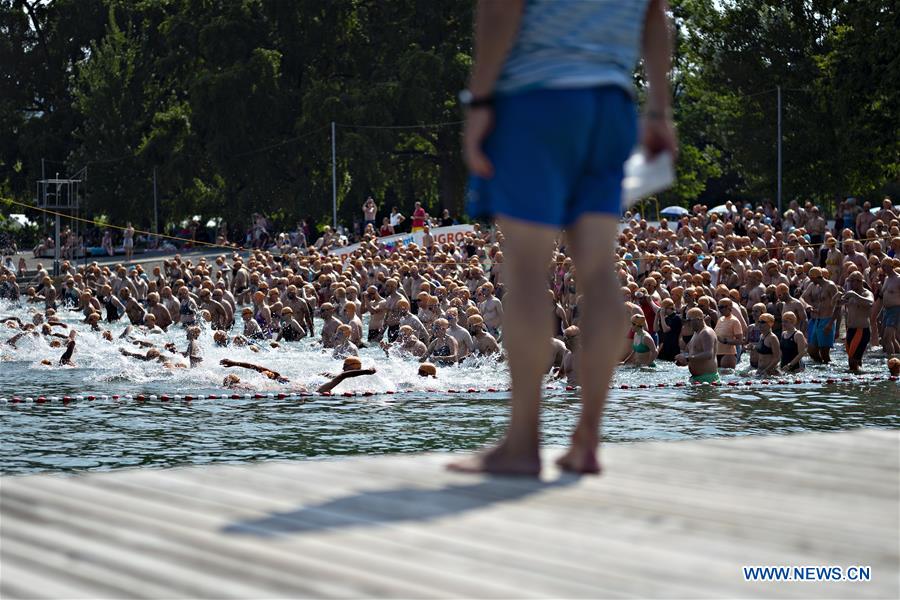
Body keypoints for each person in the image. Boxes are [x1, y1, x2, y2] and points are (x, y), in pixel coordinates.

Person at [450, 0, 676, 475]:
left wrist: (481, 100)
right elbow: (657, 17)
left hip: (537, 96)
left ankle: (522, 445)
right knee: (598, 268)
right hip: (611, 102)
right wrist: (659, 110)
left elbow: (500, 8)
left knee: (529, 271)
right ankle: (587, 439)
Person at [801, 267, 841, 363]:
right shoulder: (818, 286)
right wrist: (809, 306)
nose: (810, 281)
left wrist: (831, 324)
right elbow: (803, 297)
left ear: (815, 277)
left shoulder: (830, 286)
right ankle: (820, 367)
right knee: (811, 351)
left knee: (824, 353)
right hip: (817, 320)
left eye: (811, 278)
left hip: (827, 320)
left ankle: (828, 372)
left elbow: (838, 306)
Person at [841, 271, 874, 372]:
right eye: (849, 281)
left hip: (861, 330)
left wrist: (855, 296)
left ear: (859, 282)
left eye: (852, 281)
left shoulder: (866, 293)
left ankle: (859, 381)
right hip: (850, 330)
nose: (850, 284)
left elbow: (870, 302)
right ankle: (861, 382)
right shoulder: (850, 294)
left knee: (852, 361)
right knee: (854, 361)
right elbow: (837, 304)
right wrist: (837, 299)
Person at [676, 308, 719, 383]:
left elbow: (708, 354)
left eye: (689, 320)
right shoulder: (696, 333)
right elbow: (693, 355)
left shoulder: (706, 333)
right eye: (686, 320)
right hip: (697, 379)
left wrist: (687, 358)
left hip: (708, 379)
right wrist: (683, 361)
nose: (687, 323)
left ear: (698, 319)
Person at [714, 298, 743, 369]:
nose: (719, 309)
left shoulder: (735, 321)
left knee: (727, 378)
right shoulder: (720, 319)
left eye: (721, 307)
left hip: (728, 354)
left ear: (729, 307)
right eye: (718, 307)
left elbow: (740, 341)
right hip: (717, 353)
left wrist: (725, 341)